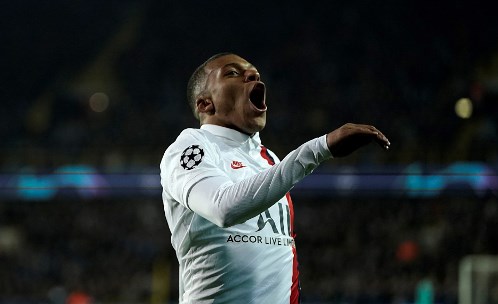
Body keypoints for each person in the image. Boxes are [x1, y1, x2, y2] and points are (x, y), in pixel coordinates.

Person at [160, 52, 390, 304]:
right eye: (233, 73)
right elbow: (222, 207)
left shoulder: (269, 159)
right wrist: (318, 149)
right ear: (205, 104)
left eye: (254, 74)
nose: (251, 75)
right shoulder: (190, 146)